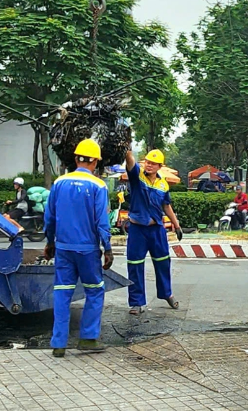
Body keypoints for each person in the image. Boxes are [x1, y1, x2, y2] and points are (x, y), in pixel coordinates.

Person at [43, 139, 114, 357]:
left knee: (62, 293)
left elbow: (49, 217)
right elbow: (101, 221)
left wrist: (50, 242)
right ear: (95, 162)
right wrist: (108, 248)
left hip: (63, 249)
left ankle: (58, 344)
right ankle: (88, 338)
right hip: (88, 250)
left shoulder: (59, 183)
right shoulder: (98, 186)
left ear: (76, 159)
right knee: (94, 290)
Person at [124, 146, 182, 315]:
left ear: (159, 166)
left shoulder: (163, 185)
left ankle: (167, 294)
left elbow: (166, 205)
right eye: (147, 162)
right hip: (137, 229)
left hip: (156, 229)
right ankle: (136, 302)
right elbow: (130, 161)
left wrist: (176, 225)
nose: (149, 165)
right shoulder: (136, 176)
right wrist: (127, 148)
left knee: (163, 262)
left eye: (153, 163)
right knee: (135, 264)